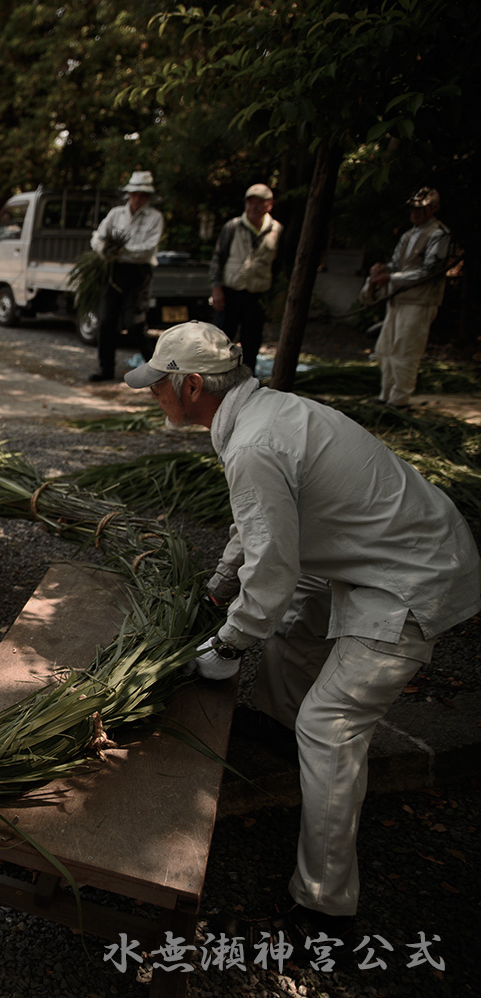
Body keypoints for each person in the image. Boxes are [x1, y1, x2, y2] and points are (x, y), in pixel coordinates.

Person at [125, 321, 480, 941]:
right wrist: (217, 586)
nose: (151, 391)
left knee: (332, 725)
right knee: (291, 623)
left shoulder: (256, 444)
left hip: (411, 576)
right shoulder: (263, 418)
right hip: (375, 554)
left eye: (158, 382)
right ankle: (275, 730)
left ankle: (323, 909)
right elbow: (257, 527)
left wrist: (229, 643)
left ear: (188, 385)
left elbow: (274, 566)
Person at [360, 187, 451, 408]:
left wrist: (390, 277)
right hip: (397, 299)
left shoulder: (439, 234)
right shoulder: (408, 235)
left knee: (405, 350)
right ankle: (386, 395)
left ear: (433, 209)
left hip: (419, 302)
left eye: (420, 208)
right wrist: (381, 271)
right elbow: (397, 264)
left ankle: (399, 399)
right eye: (413, 208)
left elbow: (429, 271)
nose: (415, 212)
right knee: (386, 348)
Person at [88, 170, 164, 382]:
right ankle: (106, 369)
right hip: (115, 270)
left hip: (139, 272)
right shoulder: (116, 214)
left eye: (142, 195)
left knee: (135, 322)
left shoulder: (155, 218)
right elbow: (98, 237)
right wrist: (105, 250)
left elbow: (147, 249)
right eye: (134, 194)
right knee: (106, 320)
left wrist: (123, 250)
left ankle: (156, 371)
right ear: (129, 194)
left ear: (147, 197)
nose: (138, 199)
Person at [209, 182, 283, 372]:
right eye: (250, 202)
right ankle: (217, 376)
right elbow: (218, 258)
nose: (254, 207)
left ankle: (248, 379)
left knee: (252, 339)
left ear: (269, 204)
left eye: (259, 203)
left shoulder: (276, 229)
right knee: (222, 338)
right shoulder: (233, 226)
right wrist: (216, 288)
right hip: (231, 290)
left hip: (258, 292)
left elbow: (280, 264)